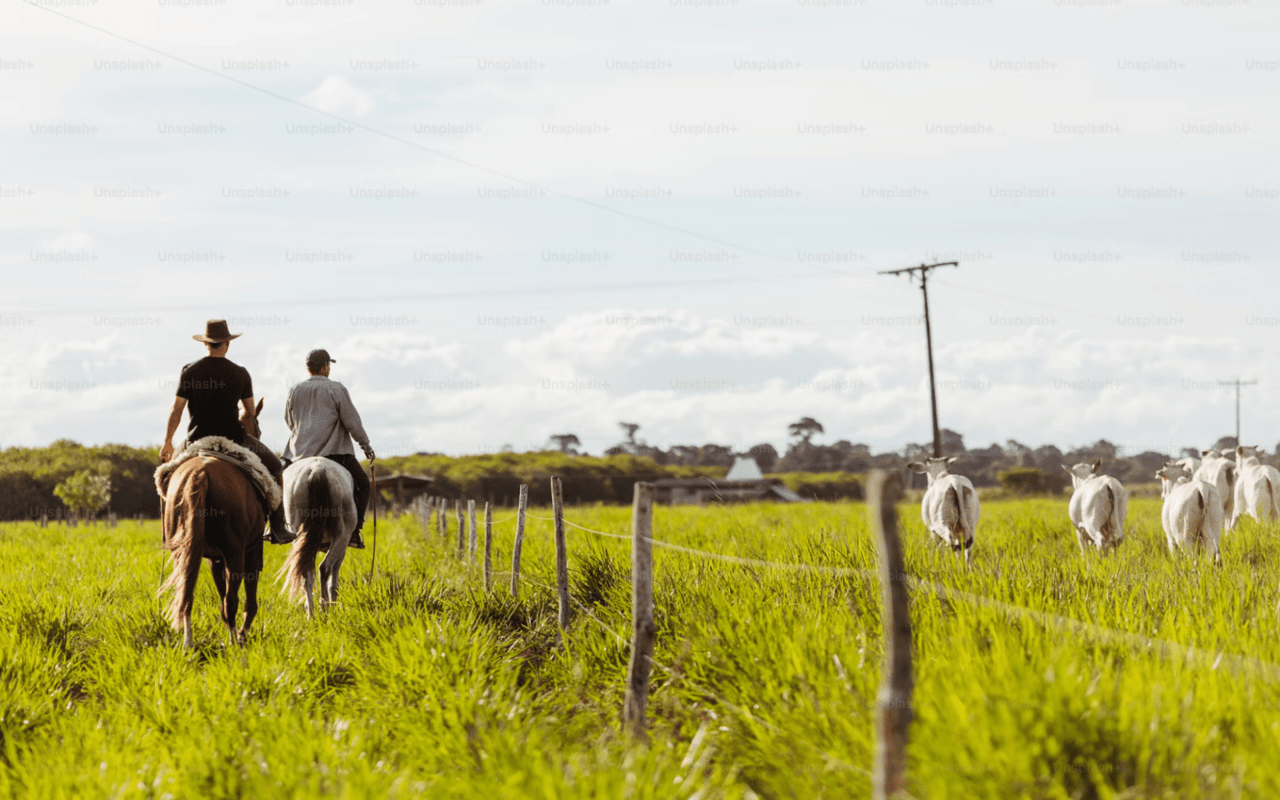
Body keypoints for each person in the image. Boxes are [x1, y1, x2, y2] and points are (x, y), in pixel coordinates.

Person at [160, 319, 293, 544]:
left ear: (206, 344)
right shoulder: (240, 373)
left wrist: (168, 442)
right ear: (227, 344)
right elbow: (250, 411)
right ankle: (279, 527)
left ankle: (169, 531)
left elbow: (177, 410)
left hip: (196, 441)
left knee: (166, 474)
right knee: (274, 465)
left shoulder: (190, 371)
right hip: (233, 439)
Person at [281, 349, 375, 548]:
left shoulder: (294, 390)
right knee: (364, 484)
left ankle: (274, 526)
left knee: (275, 483)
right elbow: (352, 422)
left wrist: (305, 436)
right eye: (328, 365)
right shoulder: (337, 388)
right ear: (324, 367)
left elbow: (289, 421)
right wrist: (366, 446)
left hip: (300, 454)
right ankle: (354, 532)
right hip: (336, 454)